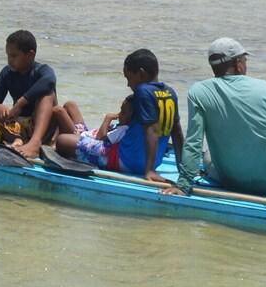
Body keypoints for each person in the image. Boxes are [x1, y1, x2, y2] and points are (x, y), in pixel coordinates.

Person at [176, 37, 266, 197]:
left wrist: (183, 185)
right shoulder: (265, 88)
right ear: (238, 64)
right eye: (245, 60)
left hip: (232, 181)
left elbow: (193, 143)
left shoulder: (198, 92)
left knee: (208, 155)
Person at [55, 48, 181, 186]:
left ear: (141, 74)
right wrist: (183, 168)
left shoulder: (143, 91)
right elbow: (177, 133)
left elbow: (151, 130)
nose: (128, 84)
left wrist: (149, 171)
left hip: (126, 160)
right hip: (152, 162)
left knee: (62, 141)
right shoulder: (170, 93)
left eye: (129, 78)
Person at [0, 29, 79, 156]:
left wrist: (21, 103)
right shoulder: (7, 73)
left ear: (30, 55)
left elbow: (49, 80)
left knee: (47, 94)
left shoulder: (42, 71)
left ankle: (35, 143)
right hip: (18, 127)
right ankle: (17, 140)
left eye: (13, 56)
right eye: (7, 55)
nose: (9, 60)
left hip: (41, 128)